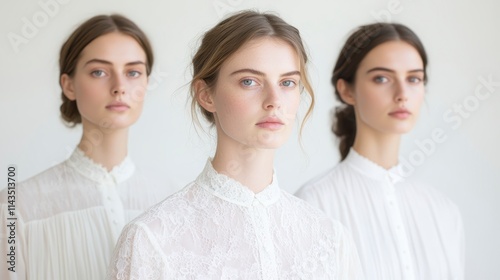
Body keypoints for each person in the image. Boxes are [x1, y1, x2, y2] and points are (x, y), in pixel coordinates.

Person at [108, 10, 363, 279]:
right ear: (206, 95)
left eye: (288, 82)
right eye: (249, 81)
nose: (274, 100)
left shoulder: (330, 239)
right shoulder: (150, 239)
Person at [0, 14, 171, 280]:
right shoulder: (16, 207)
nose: (119, 87)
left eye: (133, 72)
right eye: (99, 72)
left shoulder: (170, 202)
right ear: (68, 85)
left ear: (146, 82)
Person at [295, 23, 465, 280]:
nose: (402, 94)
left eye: (414, 79)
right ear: (346, 90)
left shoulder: (444, 212)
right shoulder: (313, 206)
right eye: (382, 78)